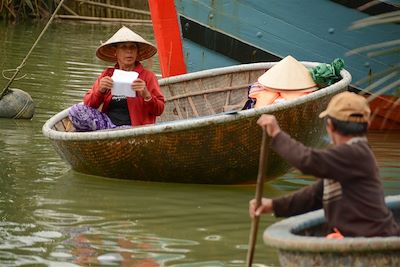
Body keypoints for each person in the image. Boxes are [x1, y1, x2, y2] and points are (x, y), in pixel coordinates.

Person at [249, 91, 400, 237]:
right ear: (367, 125)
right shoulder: (353, 156)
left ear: (330, 127)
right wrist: (273, 206)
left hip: (373, 241)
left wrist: (276, 134)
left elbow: (307, 161)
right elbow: (315, 196)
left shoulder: (354, 153)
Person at [69, 26, 165, 131]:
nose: (129, 51)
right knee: (76, 110)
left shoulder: (147, 76)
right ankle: (106, 135)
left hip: (136, 129)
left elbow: (159, 110)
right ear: (116, 52)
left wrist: (147, 95)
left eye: (132, 47)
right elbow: (89, 104)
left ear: (137, 52)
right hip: (108, 126)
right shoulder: (108, 74)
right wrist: (100, 90)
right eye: (124, 47)